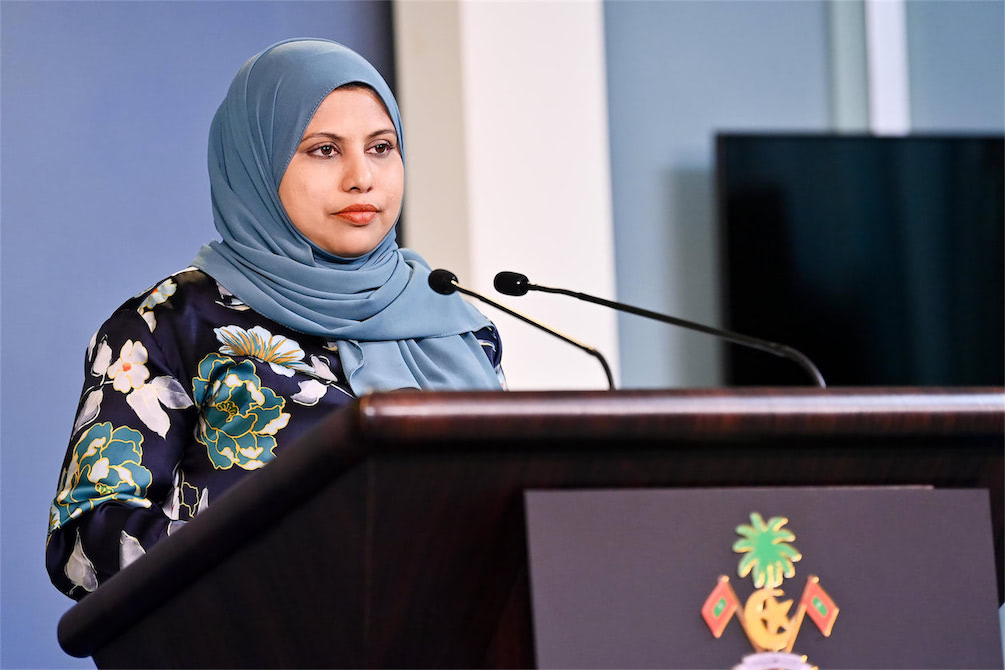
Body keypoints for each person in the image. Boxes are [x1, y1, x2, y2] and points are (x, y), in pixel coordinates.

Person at [46, 38, 505, 599]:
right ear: (255, 162)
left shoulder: (454, 321)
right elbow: (85, 546)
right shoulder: (167, 326)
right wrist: (288, 558)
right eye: (324, 150)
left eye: (381, 147)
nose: (362, 177)